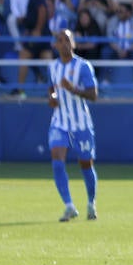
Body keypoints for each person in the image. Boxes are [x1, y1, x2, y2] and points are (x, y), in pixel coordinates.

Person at [47, 29, 100, 222]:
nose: (64, 44)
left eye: (67, 40)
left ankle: (91, 203)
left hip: (81, 124)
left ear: (74, 43)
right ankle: (69, 205)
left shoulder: (83, 66)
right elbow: (51, 89)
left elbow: (93, 95)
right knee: (57, 159)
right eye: (60, 40)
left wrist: (73, 89)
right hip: (60, 122)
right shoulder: (52, 67)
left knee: (86, 164)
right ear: (55, 45)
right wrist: (52, 98)